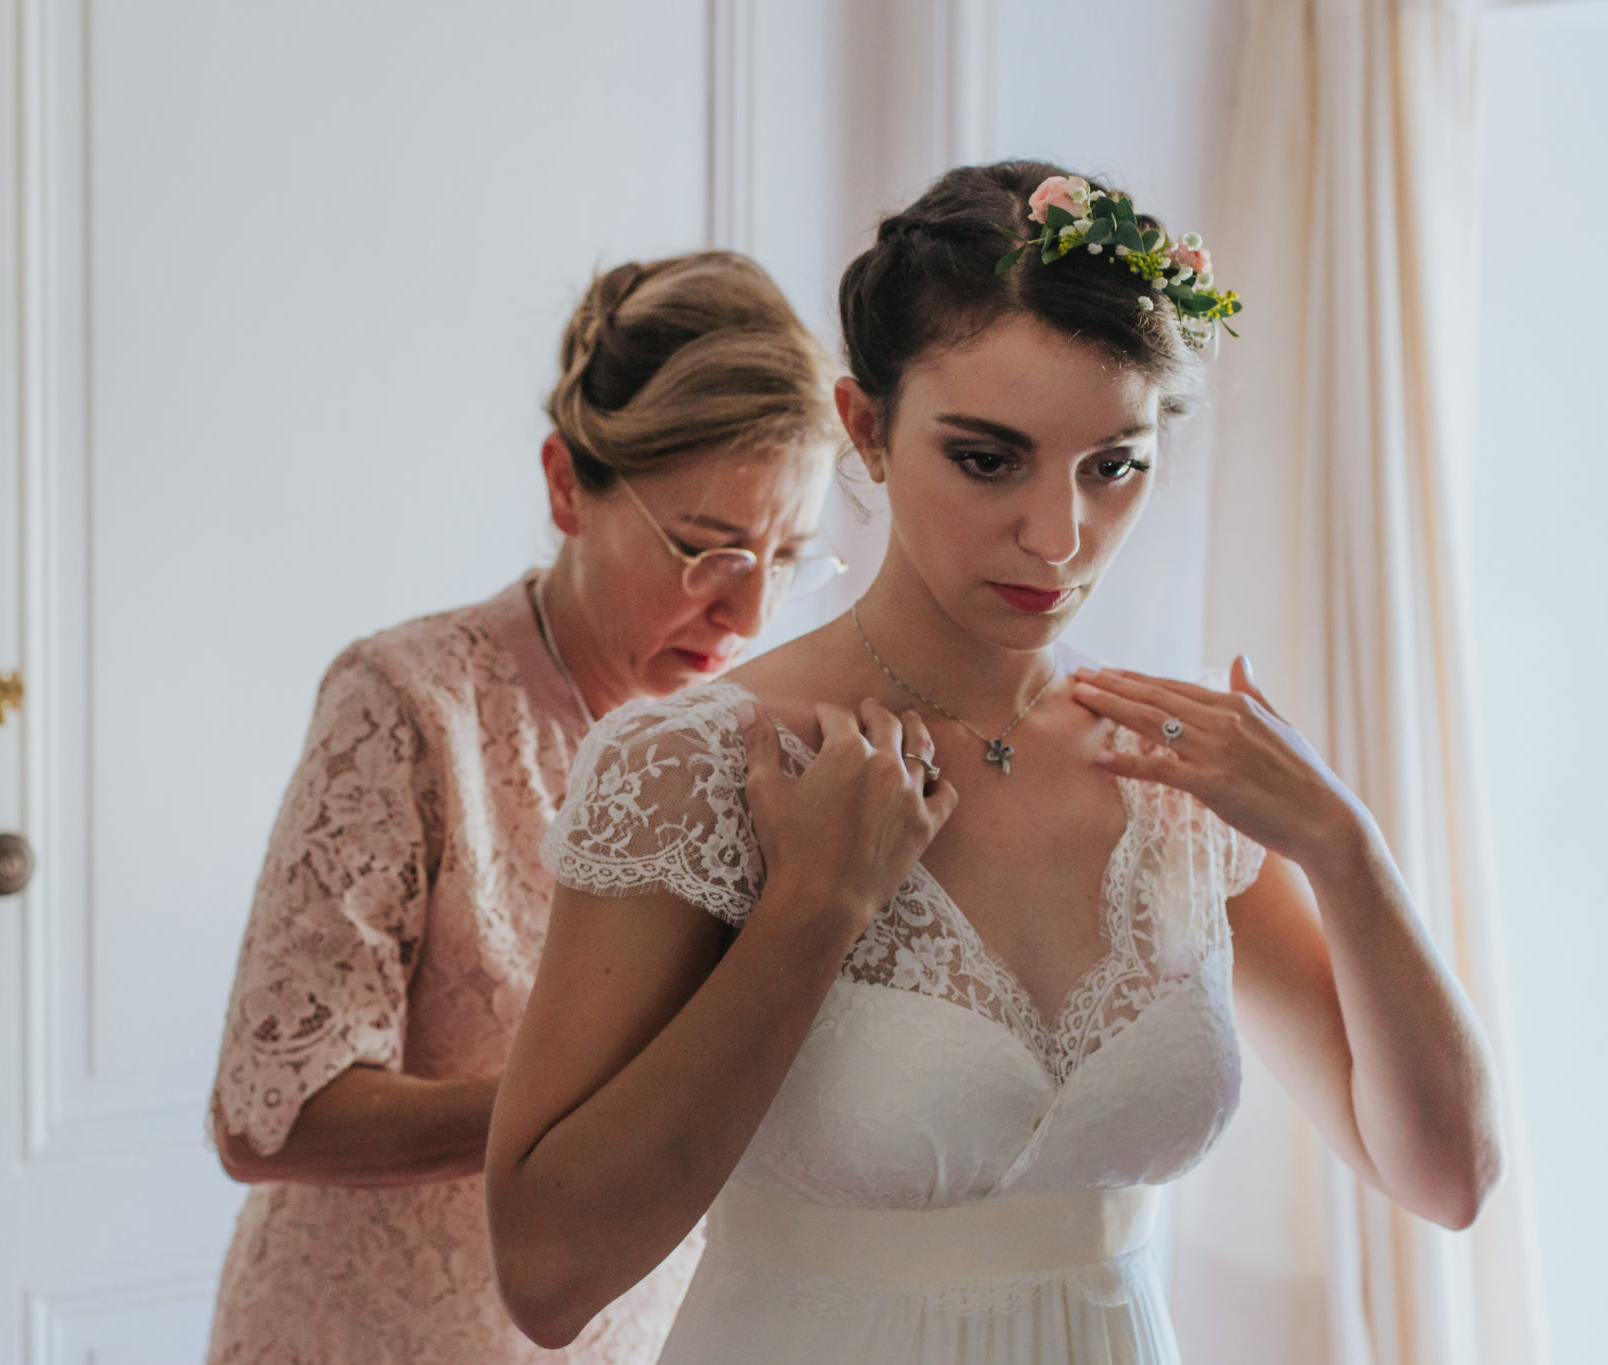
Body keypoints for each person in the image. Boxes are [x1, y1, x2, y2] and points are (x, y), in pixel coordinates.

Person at [485, 163, 1503, 1365]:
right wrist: (811, 912)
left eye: (1111, 466)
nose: (1058, 536)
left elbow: (1442, 1178)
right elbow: (546, 1276)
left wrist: (1344, 847)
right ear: (863, 427)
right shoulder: (698, 763)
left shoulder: (1170, 779)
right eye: (986, 459)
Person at [204, 250, 846, 1365]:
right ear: (565, 485)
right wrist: (583, 1116)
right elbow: (271, 1113)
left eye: (788, 557)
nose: (748, 609)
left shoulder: (772, 748)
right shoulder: (410, 704)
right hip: (374, 1336)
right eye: (705, 549)